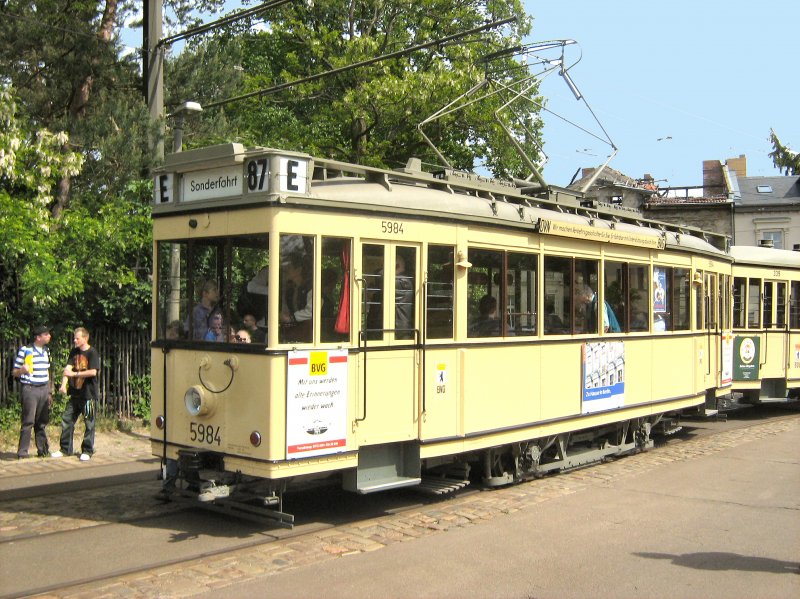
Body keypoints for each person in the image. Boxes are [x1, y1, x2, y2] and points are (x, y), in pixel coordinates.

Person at [51, 327, 100, 461]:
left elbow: (93, 372)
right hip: (75, 394)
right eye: (74, 338)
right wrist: (63, 385)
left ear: (85, 338)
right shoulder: (74, 352)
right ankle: (65, 449)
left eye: (77, 338)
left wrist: (75, 374)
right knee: (67, 420)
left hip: (88, 396)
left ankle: (87, 450)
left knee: (89, 423)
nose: (74, 340)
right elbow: (67, 369)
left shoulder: (92, 353)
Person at [12, 325, 53, 459]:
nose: (49, 336)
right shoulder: (25, 350)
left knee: (42, 421)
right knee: (28, 421)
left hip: (43, 388)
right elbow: (14, 372)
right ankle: (23, 452)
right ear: (38, 337)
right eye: (46, 334)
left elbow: (48, 371)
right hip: (30, 388)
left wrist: (49, 392)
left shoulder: (46, 350)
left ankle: (43, 450)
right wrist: (21, 371)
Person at [280, 253, 312, 342]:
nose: (284, 270)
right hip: (294, 334)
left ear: (298, 270)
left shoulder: (312, 288)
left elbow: (311, 312)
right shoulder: (291, 289)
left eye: (288, 267)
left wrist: (290, 318)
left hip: (308, 337)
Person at [395, 255, 414, 339]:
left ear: (396, 265)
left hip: (398, 327)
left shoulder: (400, 281)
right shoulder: (407, 280)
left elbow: (380, 275)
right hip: (404, 325)